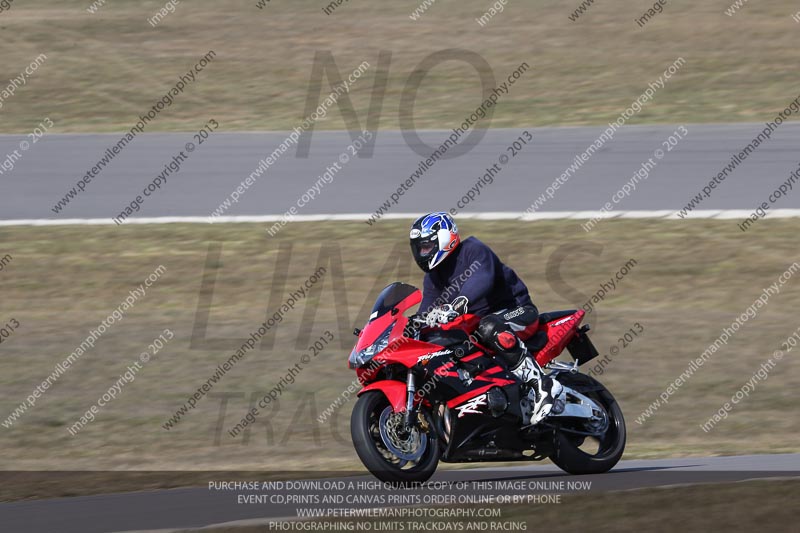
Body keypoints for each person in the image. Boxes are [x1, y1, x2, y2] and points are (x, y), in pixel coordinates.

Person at [409, 211, 563, 427]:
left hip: (517, 311)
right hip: (478, 329)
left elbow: (483, 279)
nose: (422, 253)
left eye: (426, 246)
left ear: (444, 239)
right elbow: (427, 309)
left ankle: (542, 385)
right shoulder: (433, 278)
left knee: (488, 325)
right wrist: (411, 325)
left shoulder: (473, 250)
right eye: (419, 248)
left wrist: (459, 303)